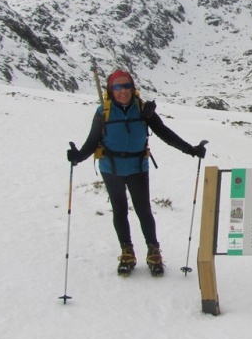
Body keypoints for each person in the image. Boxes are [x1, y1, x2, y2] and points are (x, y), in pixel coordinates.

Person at [67, 69, 206, 276]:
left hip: (137, 168)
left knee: (143, 210)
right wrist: (78, 157)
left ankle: (153, 250)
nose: (123, 91)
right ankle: (127, 251)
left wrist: (190, 150)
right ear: (110, 89)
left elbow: (164, 133)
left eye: (127, 86)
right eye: (117, 87)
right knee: (120, 210)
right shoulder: (102, 112)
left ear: (133, 88)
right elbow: (92, 141)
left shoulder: (143, 110)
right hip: (111, 169)